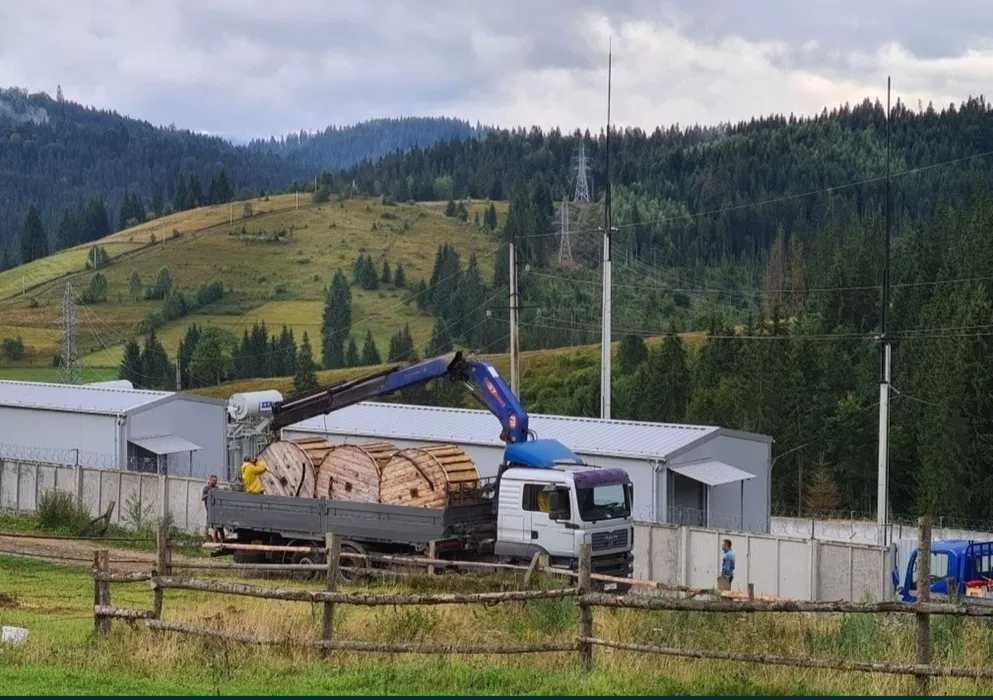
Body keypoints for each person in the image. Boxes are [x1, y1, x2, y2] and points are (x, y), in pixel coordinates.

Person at [201, 474, 222, 542]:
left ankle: (216, 539)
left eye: (215, 481)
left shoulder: (216, 488)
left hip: (216, 510)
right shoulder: (206, 488)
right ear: (210, 480)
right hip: (209, 510)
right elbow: (203, 498)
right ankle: (206, 538)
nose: (214, 482)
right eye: (213, 480)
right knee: (208, 524)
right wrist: (210, 494)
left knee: (217, 525)